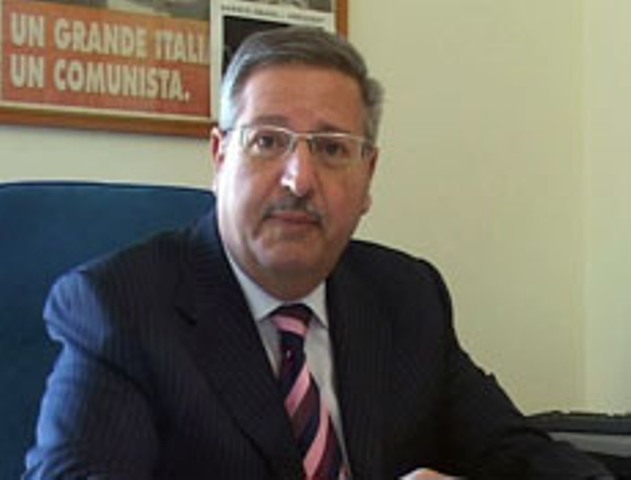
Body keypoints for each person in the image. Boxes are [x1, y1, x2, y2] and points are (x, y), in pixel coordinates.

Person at [24, 26, 613, 479]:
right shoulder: (120, 308)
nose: (299, 179)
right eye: (267, 141)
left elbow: (521, 454)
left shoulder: (406, 296)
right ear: (220, 159)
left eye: (331, 148)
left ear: (368, 176)